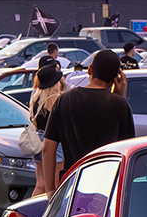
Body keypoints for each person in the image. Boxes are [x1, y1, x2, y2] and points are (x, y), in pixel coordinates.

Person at [41, 49, 135, 187]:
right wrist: (120, 97)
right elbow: (127, 150)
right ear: (117, 78)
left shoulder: (64, 100)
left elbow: (48, 148)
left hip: (72, 182)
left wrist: (50, 190)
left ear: (90, 69)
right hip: (107, 183)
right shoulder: (119, 105)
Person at [29, 61, 66, 197]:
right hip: (53, 143)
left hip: (37, 139)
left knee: (41, 184)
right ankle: (51, 215)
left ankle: (33, 212)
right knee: (56, 184)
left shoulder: (36, 97)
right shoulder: (54, 99)